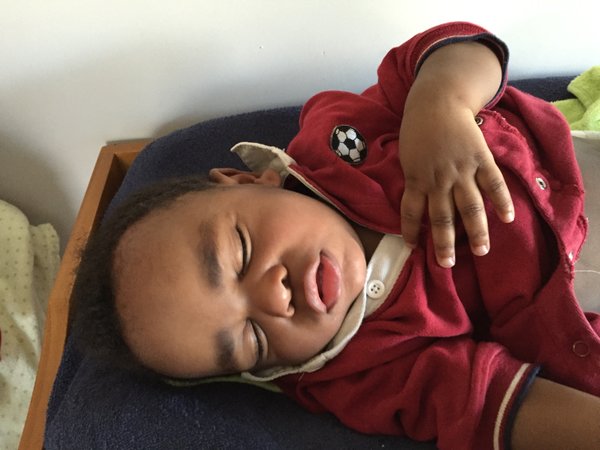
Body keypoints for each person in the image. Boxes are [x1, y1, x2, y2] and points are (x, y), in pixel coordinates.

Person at [71, 22, 600, 450]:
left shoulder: (337, 139)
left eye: (242, 253)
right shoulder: (359, 375)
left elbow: (464, 47)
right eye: (253, 338)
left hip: (568, 162)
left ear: (249, 181)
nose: (275, 297)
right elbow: (487, 403)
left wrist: (440, 103)